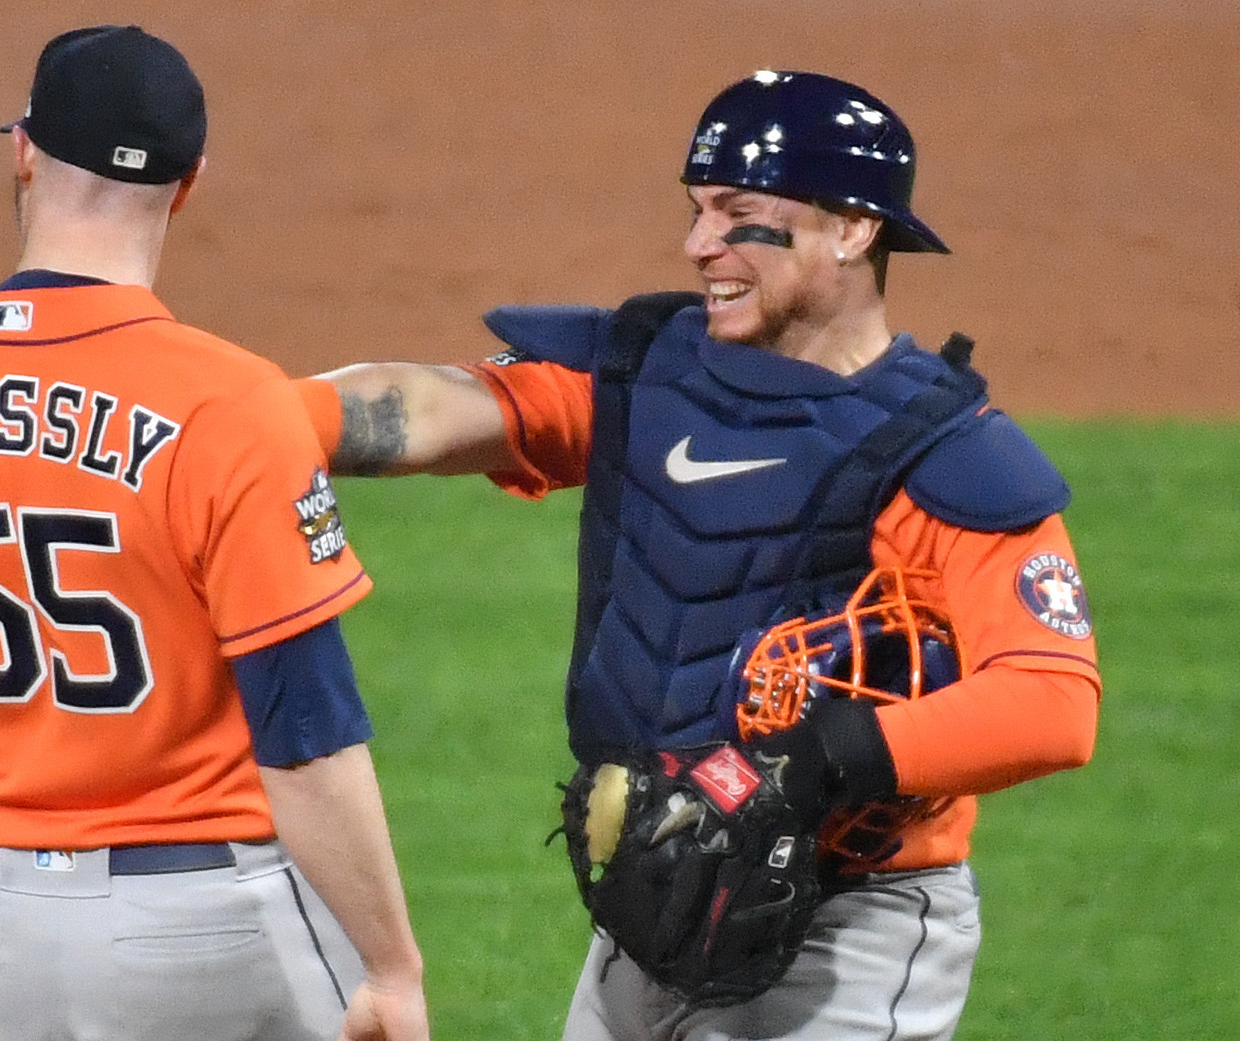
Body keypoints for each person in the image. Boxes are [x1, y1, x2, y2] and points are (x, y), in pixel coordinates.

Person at [297, 70, 1100, 1040]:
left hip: (849, 930)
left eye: (739, 215)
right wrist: (223, 423)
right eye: (695, 211)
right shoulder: (651, 377)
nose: (698, 245)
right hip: (652, 897)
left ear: (850, 228)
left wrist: (815, 763)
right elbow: (425, 407)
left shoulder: (943, 453)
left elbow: (1052, 703)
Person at [0, 25, 428, 1041]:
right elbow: (306, 734)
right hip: (220, 921)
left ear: (22, 152)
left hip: (16, 933)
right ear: (190, 183)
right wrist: (393, 966)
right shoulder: (228, 402)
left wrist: (29, 888)